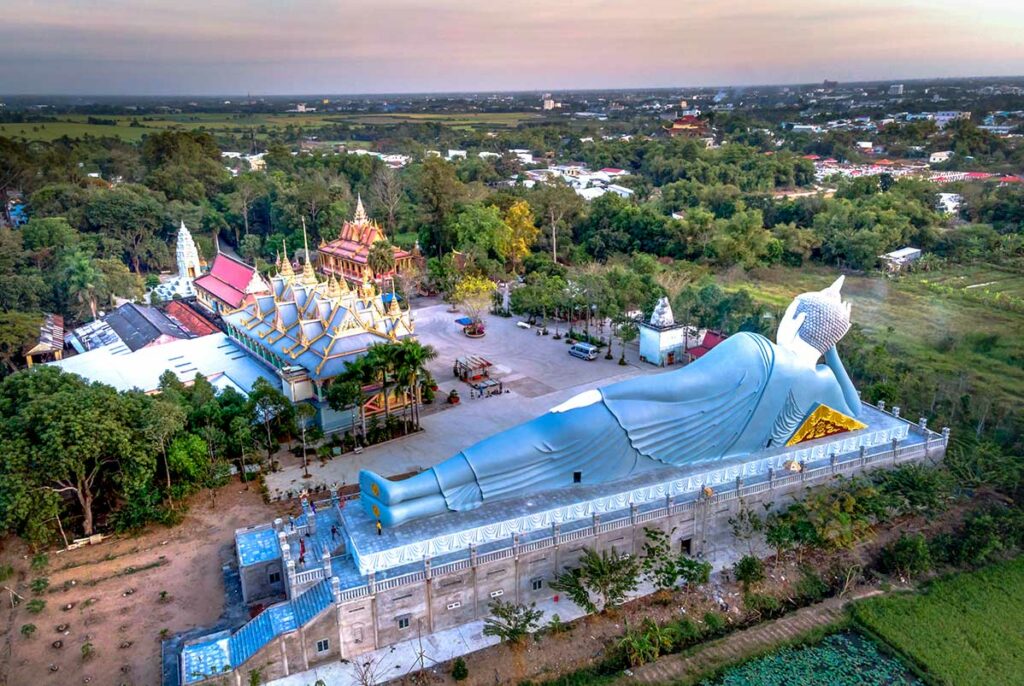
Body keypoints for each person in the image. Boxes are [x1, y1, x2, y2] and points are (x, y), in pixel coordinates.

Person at [362, 278, 862, 528]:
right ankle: (408, 509)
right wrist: (829, 350)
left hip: (629, 427)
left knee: (527, 446)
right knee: (527, 477)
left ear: (792, 321)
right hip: (672, 458)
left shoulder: (753, 348)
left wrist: (601, 391)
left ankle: (409, 494)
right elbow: (858, 417)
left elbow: (675, 388)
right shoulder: (820, 386)